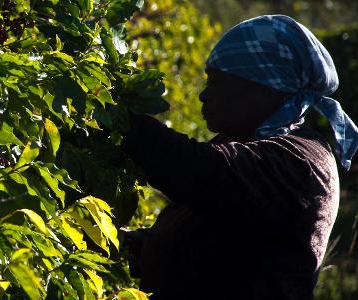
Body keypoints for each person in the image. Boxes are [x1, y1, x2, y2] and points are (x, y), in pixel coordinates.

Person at [120, 15, 358, 299]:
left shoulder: (300, 159)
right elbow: (217, 235)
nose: (204, 96)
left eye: (218, 82)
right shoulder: (249, 141)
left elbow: (198, 170)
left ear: (264, 89)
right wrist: (134, 243)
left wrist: (118, 115)